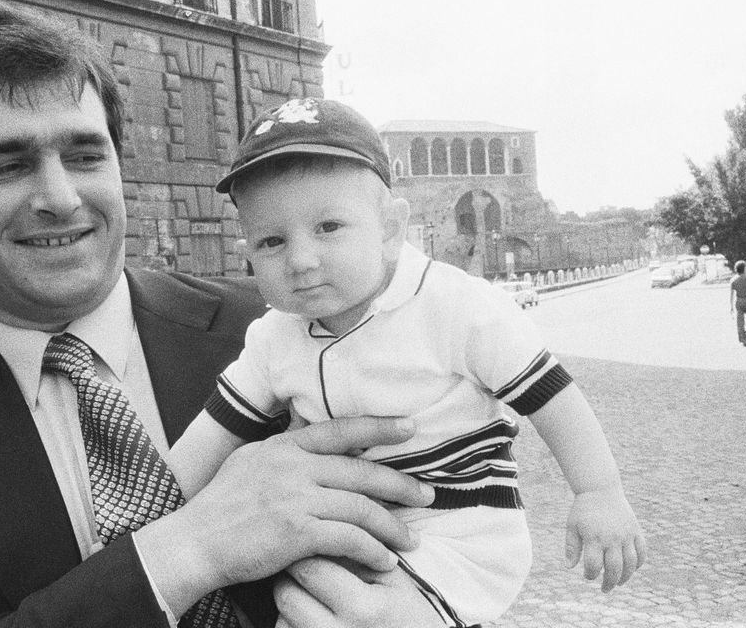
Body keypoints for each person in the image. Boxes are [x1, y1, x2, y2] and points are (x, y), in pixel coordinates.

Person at [0, 5, 445, 628]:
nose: (61, 199)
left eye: (86, 155)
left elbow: (439, 524)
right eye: (8, 166)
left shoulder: (278, 329)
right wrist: (190, 547)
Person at [169, 98, 647, 626]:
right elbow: (211, 435)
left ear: (391, 229)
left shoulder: (454, 306)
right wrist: (149, 515)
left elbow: (551, 396)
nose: (301, 260)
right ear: (247, 256)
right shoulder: (273, 337)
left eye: (328, 227)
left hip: (455, 532)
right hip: (341, 538)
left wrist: (598, 491)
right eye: (272, 241)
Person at [730, 260, 746, 346]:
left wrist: (731, 307)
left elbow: (732, 294)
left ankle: (743, 340)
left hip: (739, 301)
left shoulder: (734, 280)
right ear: (743, 269)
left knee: (740, 322)